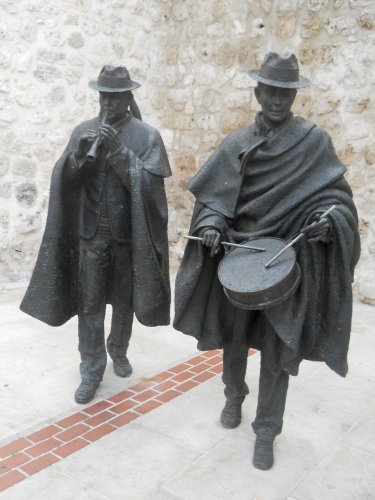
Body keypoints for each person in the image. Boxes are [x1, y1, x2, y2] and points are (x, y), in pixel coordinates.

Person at [173, 53, 360, 470]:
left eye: (285, 93)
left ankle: (266, 431)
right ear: (258, 92)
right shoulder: (236, 144)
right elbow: (213, 200)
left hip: (284, 263)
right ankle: (233, 395)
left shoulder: (313, 143)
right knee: (235, 340)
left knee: (278, 349)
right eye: (270, 91)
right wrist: (212, 225)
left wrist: (327, 225)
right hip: (239, 262)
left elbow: (336, 201)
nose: (277, 100)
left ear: (293, 96)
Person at [21, 65, 172, 404]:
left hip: (126, 238)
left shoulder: (147, 137)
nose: (108, 103)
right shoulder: (83, 131)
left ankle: (118, 349)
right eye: (104, 96)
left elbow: (151, 189)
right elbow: (67, 183)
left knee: (123, 302)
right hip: (91, 236)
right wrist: (78, 158)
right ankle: (91, 368)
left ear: (128, 98)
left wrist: (119, 151)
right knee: (90, 305)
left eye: (116, 97)